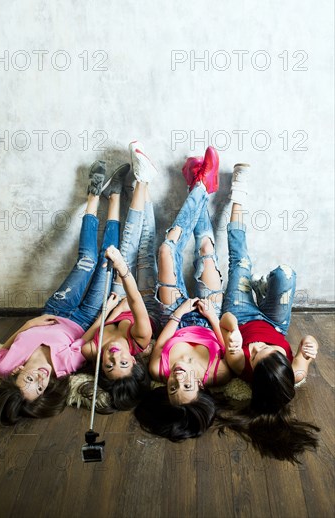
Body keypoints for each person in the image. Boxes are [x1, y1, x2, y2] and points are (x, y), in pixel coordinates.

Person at [0, 156, 131, 425]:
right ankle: (114, 198)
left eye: (30, 379)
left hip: (58, 308)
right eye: (41, 387)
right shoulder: (63, 368)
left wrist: (30, 324)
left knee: (87, 259)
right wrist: (105, 313)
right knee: (107, 262)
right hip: (84, 319)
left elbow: (2, 350)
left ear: (18, 372)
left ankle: (93, 196)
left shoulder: (3, 366)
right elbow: (85, 340)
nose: (41, 379)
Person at [217, 163, 319, 462]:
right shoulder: (294, 370)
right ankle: (263, 288)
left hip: (241, 313)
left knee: (241, 262)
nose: (258, 347)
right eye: (269, 351)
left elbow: (224, 322)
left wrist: (233, 332)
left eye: (255, 353)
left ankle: (239, 194)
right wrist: (309, 344)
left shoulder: (240, 366)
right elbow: (306, 352)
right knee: (285, 274)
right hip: (274, 322)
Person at [135, 147, 231, 442]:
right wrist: (211, 317)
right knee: (207, 252)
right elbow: (227, 345)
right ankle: (200, 184)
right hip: (206, 315)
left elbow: (162, 336)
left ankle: (201, 185)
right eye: (185, 386)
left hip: (173, 313)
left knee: (165, 250)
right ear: (200, 388)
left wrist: (179, 313)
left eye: (172, 389)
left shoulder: (158, 369)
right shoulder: (218, 375)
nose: (177, 380)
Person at [79, 141, 160, 410]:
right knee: (144, 246)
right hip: (143, 295)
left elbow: (88, 336)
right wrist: (121, 301)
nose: (115, 358)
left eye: (110, 366)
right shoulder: (140, 340)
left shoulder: (92, 351)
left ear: (101, 369)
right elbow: (135, 302)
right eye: (124, 363)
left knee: (130, 242)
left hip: (117, 299)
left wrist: (112, 310)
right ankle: (142, 180)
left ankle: (143, 182)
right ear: (134, 360)